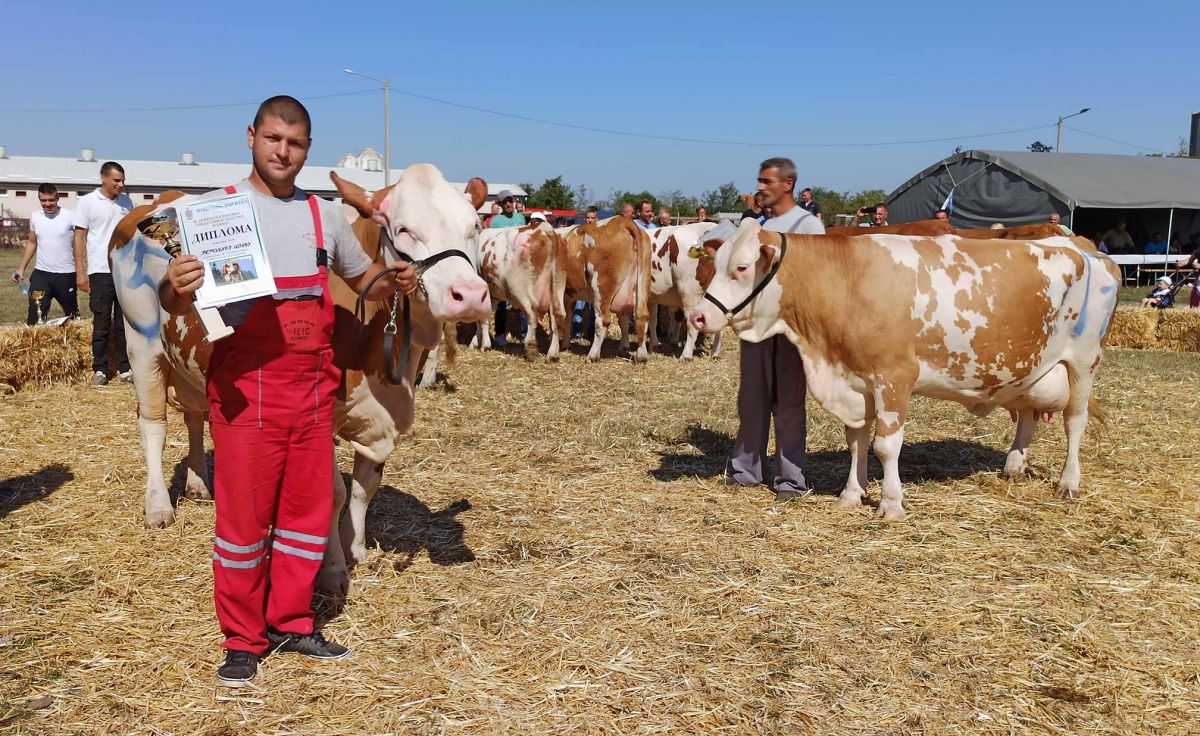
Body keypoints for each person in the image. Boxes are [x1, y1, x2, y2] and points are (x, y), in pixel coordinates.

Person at [161, 96, 418, 689]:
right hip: (245, 390)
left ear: (308, 148)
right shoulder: (212, 213)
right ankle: (242, 640)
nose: (283, 152)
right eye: (273, 139)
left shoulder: (322, 217)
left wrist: (394, 279)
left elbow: (363, 281)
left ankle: (291, 622)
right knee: (245, 522)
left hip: (312, 389)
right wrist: (175, 287)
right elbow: (178, 296)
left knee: (305, 515)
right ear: (251, 136)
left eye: (296, 143)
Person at [729, 156, 824, 501]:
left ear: (788, 185)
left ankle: (790, 480)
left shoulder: (808, 226)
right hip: (756, 326)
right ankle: (746, 470)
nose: (760, 188)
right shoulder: (752, 226)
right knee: (751, 399)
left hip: (790, 330)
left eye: (767, 182)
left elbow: (816, 280)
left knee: (789, 404)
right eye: (759, 181)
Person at [74, 161, 134, 386]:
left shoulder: (127, 203)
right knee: (102, 322)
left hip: (124, 271)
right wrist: (81, 271)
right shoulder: (87, 202)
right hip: (100, 270)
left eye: (123, 181)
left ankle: (125, 368)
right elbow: (79, 237)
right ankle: (99, 370)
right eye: (117, 180)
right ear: (103, 178)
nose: (121, 185)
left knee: (123, 322)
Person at [14, 183, 79, 325]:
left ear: (58, 198)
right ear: (39, 200)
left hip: (66, 274)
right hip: (41, 274)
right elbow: (32, 242)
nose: (47, 204)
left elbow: (81, 242)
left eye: (51, 200)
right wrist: (21, 268)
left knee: (73, 318)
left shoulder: (71, 216)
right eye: (43, 201)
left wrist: (82, 270)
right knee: (34, 318)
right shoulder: (35, 217)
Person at [487, 191, 527, 346]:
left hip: (519, 266)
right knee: (502, 303)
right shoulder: (495, 222)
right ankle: (500, 335)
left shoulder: (521, 218)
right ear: (501, 204)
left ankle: (524, 334)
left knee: (524, 302)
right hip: (502, 266)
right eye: (505, 202)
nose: (508, 204)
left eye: (510, 200)